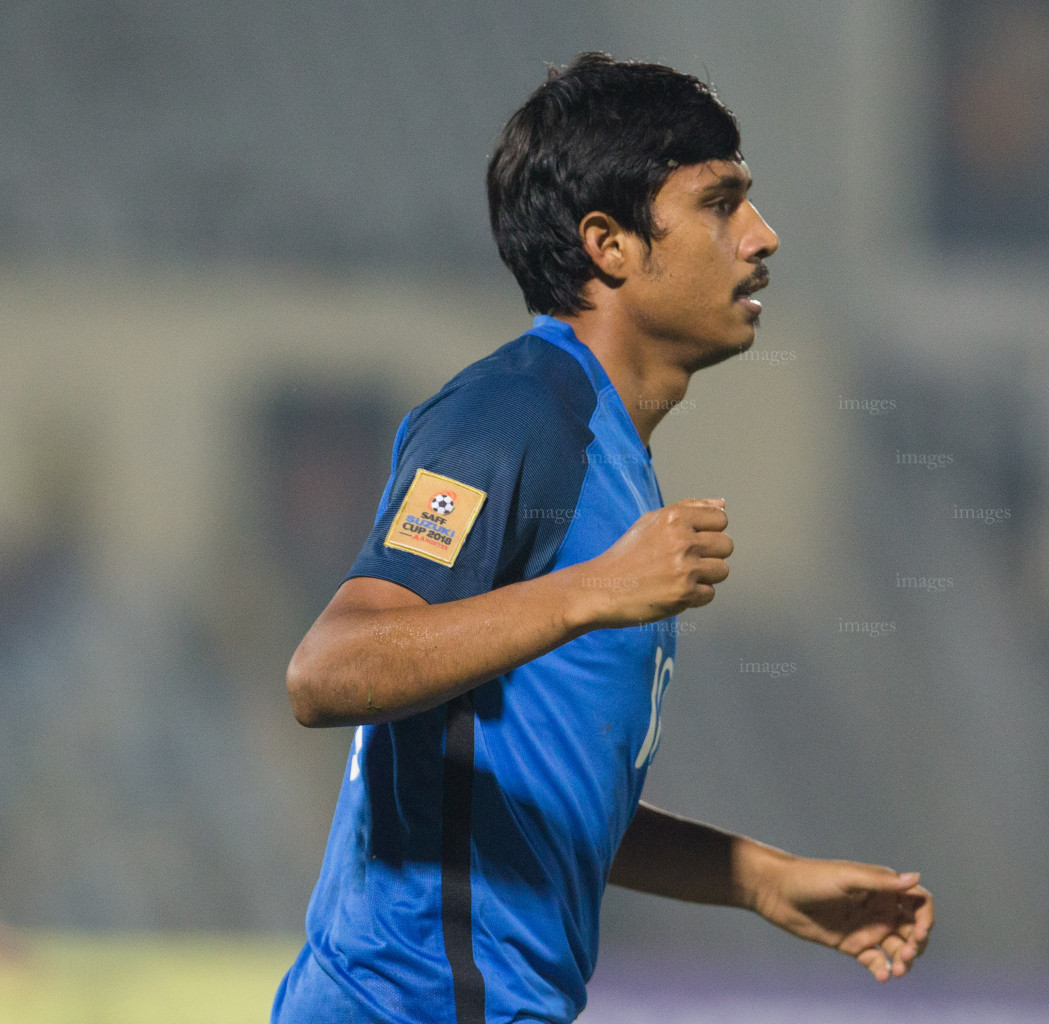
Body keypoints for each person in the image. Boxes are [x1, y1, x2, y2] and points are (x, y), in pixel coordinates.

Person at [270, 52, 933, 1024]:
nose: (762, 236)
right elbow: (327, 669)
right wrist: (591, 591)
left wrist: (759, 878)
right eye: (720, 203)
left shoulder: (604, 456)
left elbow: (538, 798)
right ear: (609, 243)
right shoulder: (515, 414)